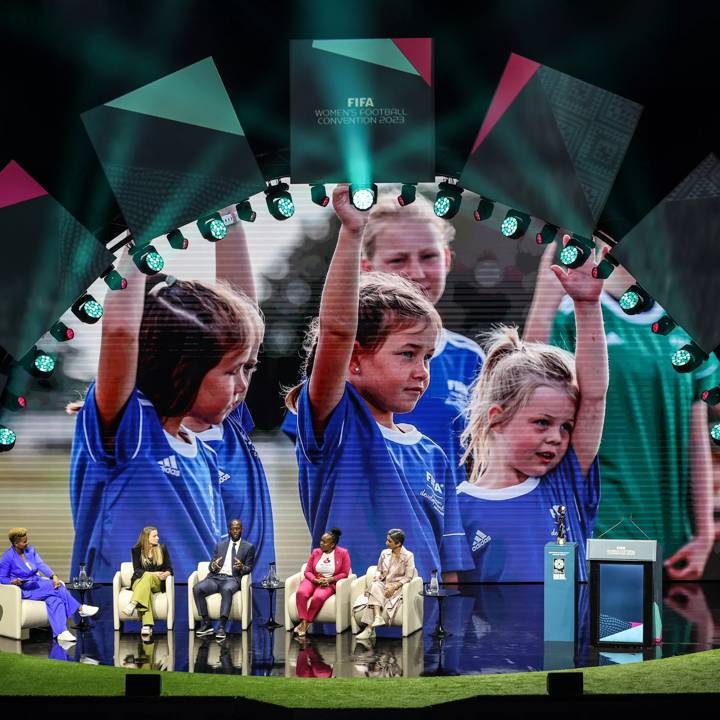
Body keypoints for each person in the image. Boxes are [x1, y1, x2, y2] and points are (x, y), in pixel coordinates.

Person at [285, 186, 472, 581]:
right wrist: (352, 232)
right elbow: (336, 331)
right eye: (407, 354)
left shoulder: (432, 453)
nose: (422, 370)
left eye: (427, 356)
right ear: (352, 361)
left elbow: (449, 568)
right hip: (347, 631)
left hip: (424, 633)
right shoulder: (339, 427)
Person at [68, 235, 260, 583]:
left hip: (190, 630)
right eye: (231, 371)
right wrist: (140, 236)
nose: (243, 385)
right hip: (120, 629)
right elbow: (120, 332)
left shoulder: (204, 452)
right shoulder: (130, 428)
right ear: (181, 366)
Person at [526, 240, 718, 579]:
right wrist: (546, 298)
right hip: (608, 521)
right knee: (621, 630)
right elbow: (528, 381)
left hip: (672, 531)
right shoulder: (576, 310)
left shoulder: (689, 321)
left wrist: (704, 532)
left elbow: (695, 432)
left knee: (665, 632)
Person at [457, 236, 608, 581]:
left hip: (570, 639)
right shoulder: (457, 508)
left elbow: (595, 396)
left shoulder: (564, 479)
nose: (557, 438)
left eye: (566, 426)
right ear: (497, 419)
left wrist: (587, 305)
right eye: (542, 422)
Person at [183, 214, 275, 588]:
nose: (241, 384)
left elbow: (244, 313)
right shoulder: (146, 436)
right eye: (230, 369)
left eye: (249, 368)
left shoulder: (230, 426)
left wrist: (229, 217)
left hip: (253, 629)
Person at [0, 527, 98, 645]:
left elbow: (41, 565)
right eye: (24, 541)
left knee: (56, 600)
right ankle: (80, 609)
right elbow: (2, 578)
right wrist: (13, 582)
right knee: (57, 587)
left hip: (37, 583)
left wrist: (53, 575)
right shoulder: (7, 557)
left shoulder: (31, 551)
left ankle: (61, 633)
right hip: (24, 589)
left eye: (27, 540)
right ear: (16, 543)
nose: (27, 543)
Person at [193, 518, 255, 641]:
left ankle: (222, 626)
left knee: (226, 590)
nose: (235, 531)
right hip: (216, 577)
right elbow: (212, 565)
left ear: (242, 530)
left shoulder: (248, 547)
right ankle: (207, 624)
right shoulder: (220, 545)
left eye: (238, 528)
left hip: (232, 579)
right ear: (229, 530)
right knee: (197, 588)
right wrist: (213, 566)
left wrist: (242, 567)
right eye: (233, 529)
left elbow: (249, 568)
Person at [355, 528, 416, 641]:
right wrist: (377, 576)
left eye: (389, 541)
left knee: (374, 594)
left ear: (398, 543)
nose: (386, 543)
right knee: (375, 585)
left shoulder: (408, 556)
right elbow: (379, 570)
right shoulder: (384, 553)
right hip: (384, 584)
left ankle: (369, 629)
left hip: (398, 587)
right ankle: (378, 617)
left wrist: (394, 587)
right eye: (387, 540)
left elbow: (408, 577)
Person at [294, 528, 350, 637]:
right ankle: (304, 621)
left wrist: (330, 579)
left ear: (332, 544)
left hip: (328, 582)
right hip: (313, 579)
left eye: (324, 542)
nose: (321, 543)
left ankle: (308, 621)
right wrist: (315, 580)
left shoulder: (343, 553)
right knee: (301, 593)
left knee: (318, 597)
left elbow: (345, 573)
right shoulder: (316, 552)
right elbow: (307, 571)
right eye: (321, 540)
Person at [123, 526, 173, 638]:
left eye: (157, 535)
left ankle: (133, 603)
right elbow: (137, 570)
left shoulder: (162, 548)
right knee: (146, 582)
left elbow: (170, 569)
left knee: (147, 578)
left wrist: (166, 574)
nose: (158, 538)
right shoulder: (136, 550)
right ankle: (146, 626)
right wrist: (152, 573)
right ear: (146, 538)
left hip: (156, 582)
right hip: (139, 581)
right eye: (154, 536)